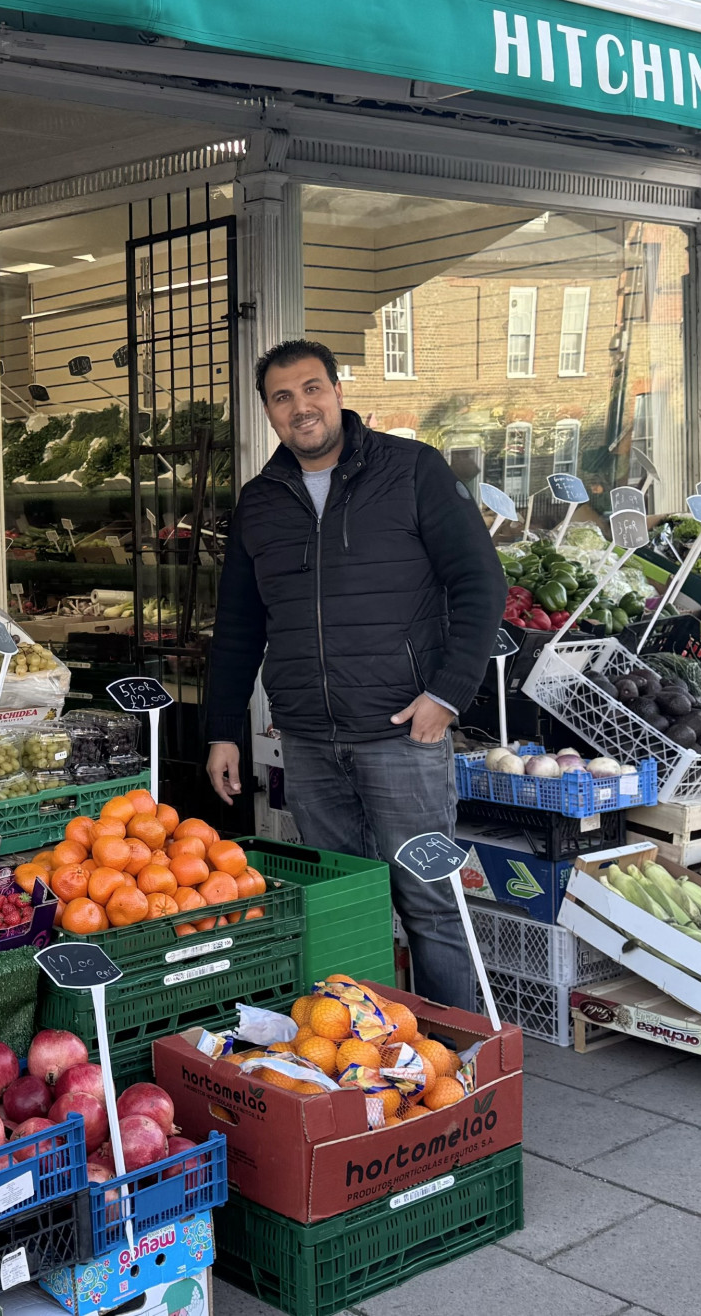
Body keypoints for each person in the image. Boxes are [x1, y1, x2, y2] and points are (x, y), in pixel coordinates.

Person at [205, 339, 506, 1010]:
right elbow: (237, 627)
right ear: (267, 412)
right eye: (282, 397)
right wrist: (224, 729)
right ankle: (368, 1058)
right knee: (345, 903)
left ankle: (456, 1055)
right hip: (308, 742)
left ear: (338, 393)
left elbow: (481, 583)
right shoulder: (259, 503)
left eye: (312, 389)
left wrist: (448, 694)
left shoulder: (412, 471)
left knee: (430, 905)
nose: (300, 407)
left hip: (405, 733)